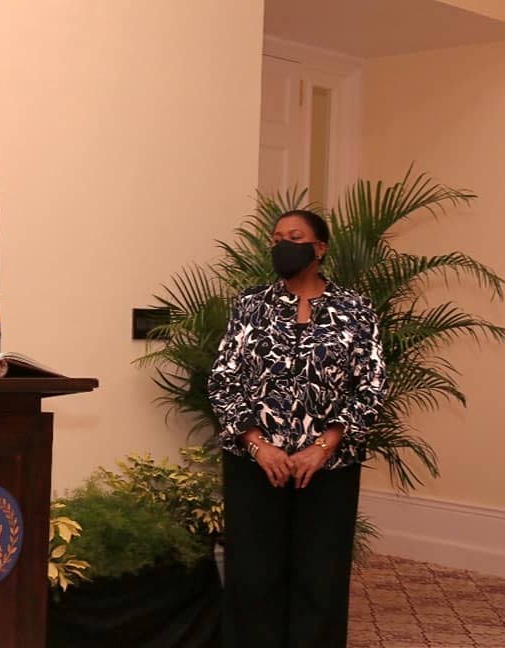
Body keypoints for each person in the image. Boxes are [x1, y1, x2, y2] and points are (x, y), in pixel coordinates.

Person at [208, 209, 386, 648]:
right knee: (253, 578)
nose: (282, 244)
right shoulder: (249, 306)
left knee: (319, 580)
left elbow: (372, 385)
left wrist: (324, 447)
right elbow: (223, 380)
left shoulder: (355, 309)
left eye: (294, 236)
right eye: (276, 238)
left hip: (328, 467)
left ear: (319, 248)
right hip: (256, 465)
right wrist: (256, 444)